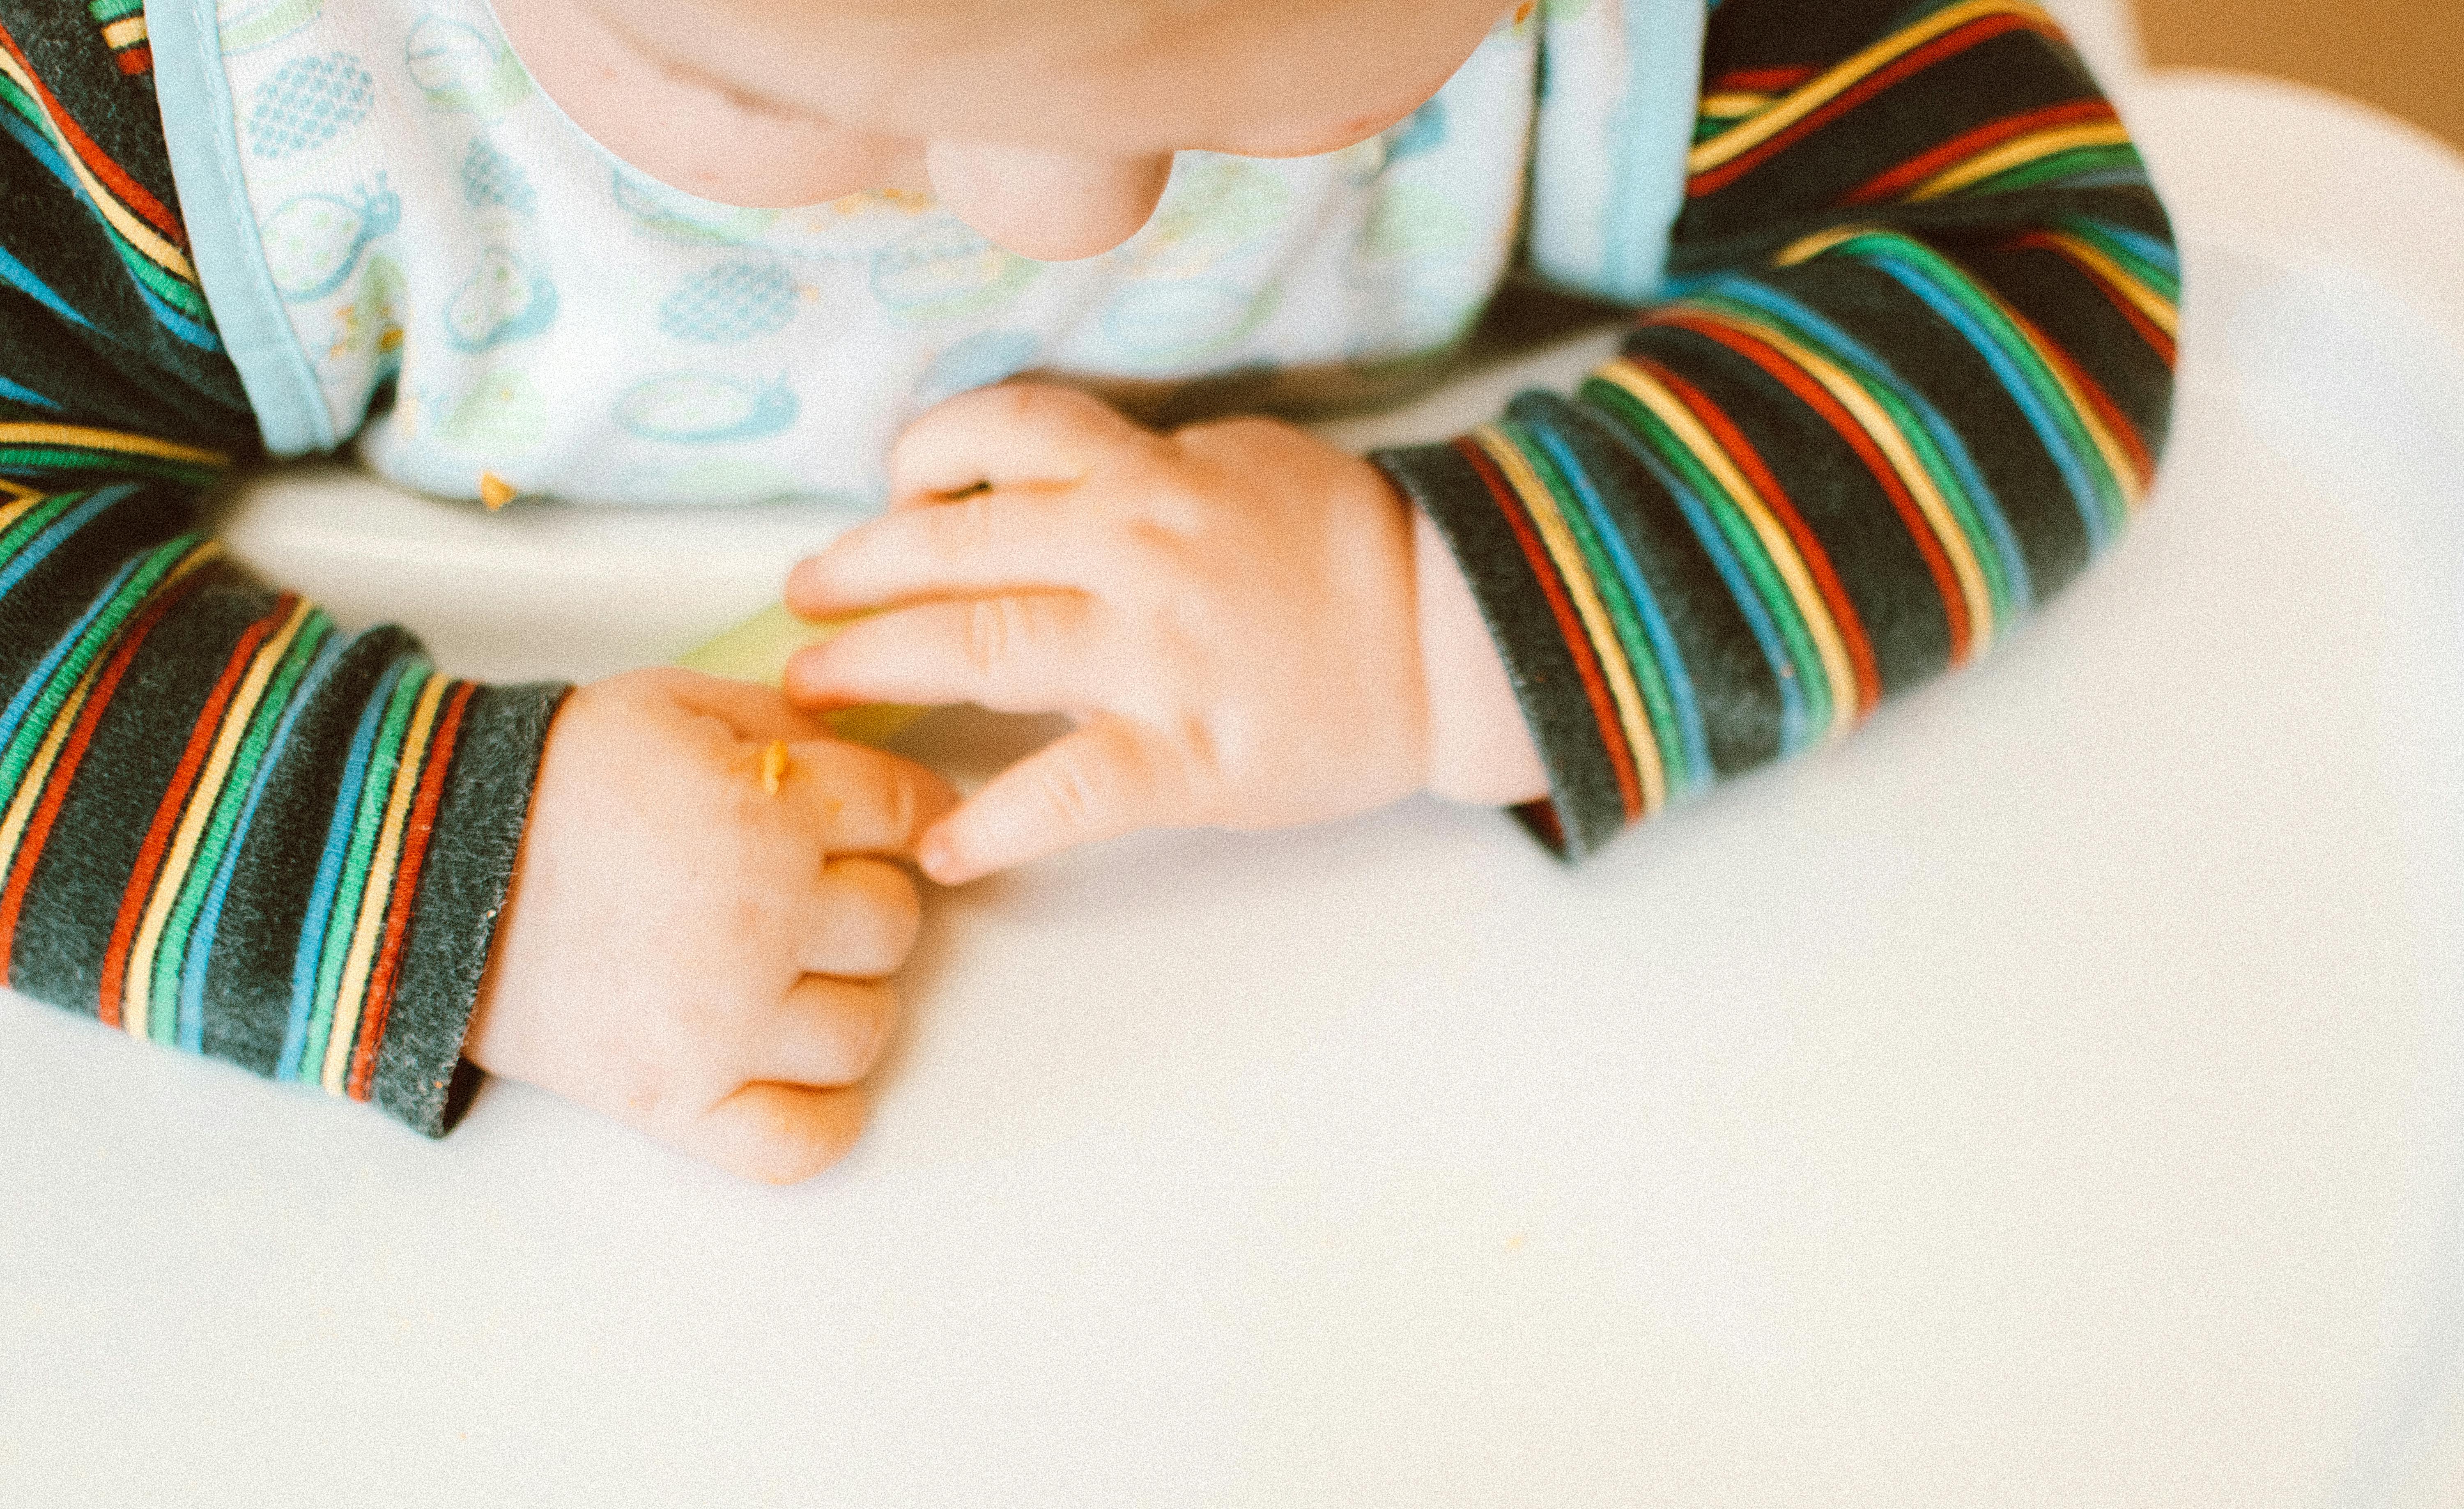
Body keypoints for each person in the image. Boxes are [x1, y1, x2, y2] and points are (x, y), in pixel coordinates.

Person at [0, 0, 2177, 1180]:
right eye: (763, 93)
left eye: (1291, 78)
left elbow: (2043, 260)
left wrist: (1426, 614)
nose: (1060, 230)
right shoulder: (185, 89)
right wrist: (455, 879)